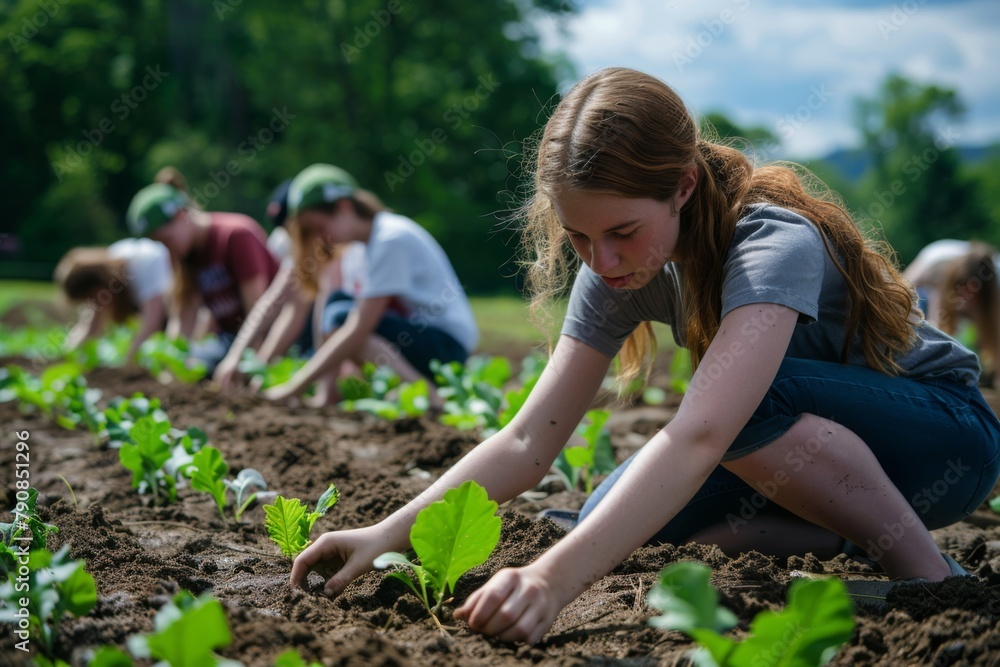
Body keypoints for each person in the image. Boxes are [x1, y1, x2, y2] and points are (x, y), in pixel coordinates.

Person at [288, 68, 1000, 643]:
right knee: (616, 520)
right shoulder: (613, 272)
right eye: (578, 237)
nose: (601, 260)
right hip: (826, 458)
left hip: (946, 439)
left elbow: (703, 432)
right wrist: (389, 532)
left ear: (683, 186)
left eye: (623, 231)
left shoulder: (771, 240)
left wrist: (551, 580)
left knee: (745, 400)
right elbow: (529, 439)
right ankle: (848, 536)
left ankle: (932, 577)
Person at [260, 163, 478, 406]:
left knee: (342, 316)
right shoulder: (357, 251)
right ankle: (344, 393)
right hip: (417, 342)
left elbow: (358, 328)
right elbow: (333, 319)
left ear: (344, 207)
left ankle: (432, 397)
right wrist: (326, 389)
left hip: (447, 349)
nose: (319, 238)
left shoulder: (389, 239)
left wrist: (293, 388)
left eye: (320, 227)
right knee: (337, 306)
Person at [126, 181, 279, 372]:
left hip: (270, 336)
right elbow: (182, 322)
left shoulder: (235, 235)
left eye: (166, 240)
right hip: (231, 340)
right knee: (196, 362)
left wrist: (249, 367)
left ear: (181, 216)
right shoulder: (188, 256)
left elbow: (257, 310)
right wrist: (171, 368)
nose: (167, 250)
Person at [54, 238, 172, 362]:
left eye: (91, 297)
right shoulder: (112, 262)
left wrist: (128, 360)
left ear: (97, 284)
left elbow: (152, 324)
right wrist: (66, 358)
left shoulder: (145, 262)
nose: (95, 304)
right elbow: (90, 327)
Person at [904, 240, 999, 386]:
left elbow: (994, 339)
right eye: (964, 287)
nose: (967, 299)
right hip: (934, 288)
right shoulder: (936, 261)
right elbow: (900, 294)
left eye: (973, 293)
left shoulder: (995, 287)